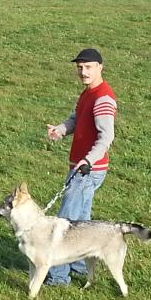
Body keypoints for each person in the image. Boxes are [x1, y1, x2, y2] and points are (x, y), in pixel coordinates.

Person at [45, 48, 117, 286]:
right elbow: (76, 119)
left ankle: (57, 277)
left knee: (64, 225)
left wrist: (88, 160)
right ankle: (77, 266)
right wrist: (60, 130)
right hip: (83, 168)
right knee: (82, 222)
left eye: (88, 67)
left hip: (87, 170)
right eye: (80, 68)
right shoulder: (88, 93)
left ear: (100, 68)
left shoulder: (103, 97)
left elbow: (106, 137)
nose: (83, 72)